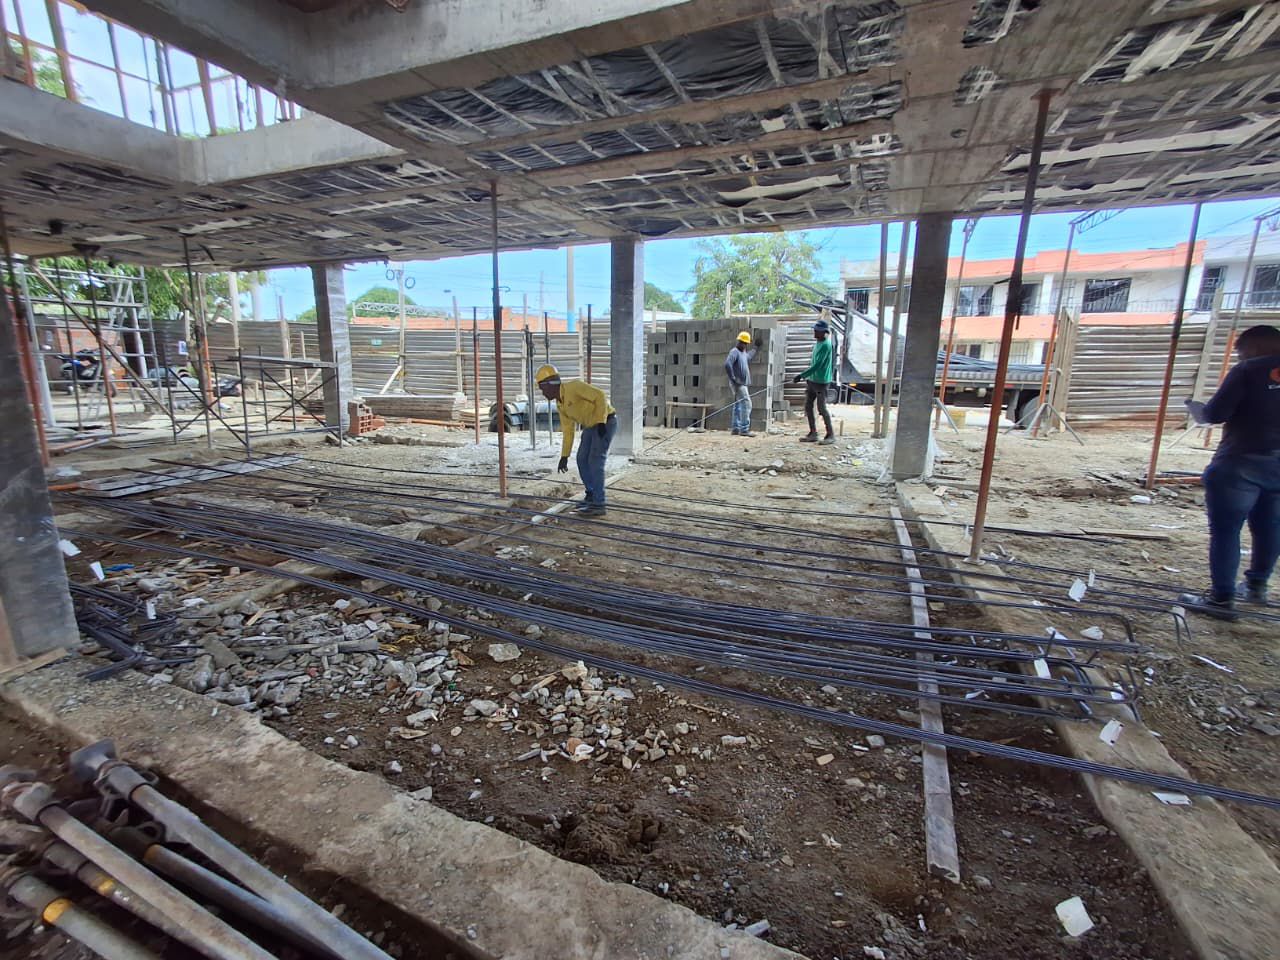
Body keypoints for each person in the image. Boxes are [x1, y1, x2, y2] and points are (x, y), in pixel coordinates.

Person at [1179, 324, 1280, 620]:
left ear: (1254, 347)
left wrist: (1197, 409)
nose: (1239, 357)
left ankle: (1222, 599)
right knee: (1271, 526)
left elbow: (1215, 414)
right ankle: (1257, 586)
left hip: (1241, 464)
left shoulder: (1247, 370)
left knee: (1226, 530)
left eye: (1240, 351)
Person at [535, 364, 617, 518]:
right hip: (590, 426)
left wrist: (601, 421)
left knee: (595, 461)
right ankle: (591, 495)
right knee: (581, 459)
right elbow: (568, 431)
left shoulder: (574, 387)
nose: (542, 392)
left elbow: (599, 395)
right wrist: (564, 456)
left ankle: (599, 504)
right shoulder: (560, 404)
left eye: (542, 388)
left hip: (605, 422)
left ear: (550, 384)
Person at [793, 319, 836, 444]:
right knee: (808, 406)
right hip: (812, 380)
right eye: (815, 330)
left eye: (817, 331)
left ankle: (830, 435)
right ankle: (813, 433)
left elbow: (818, 365)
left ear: (824, 332)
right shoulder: (817, 343)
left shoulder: (826, 345)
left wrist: (801, 375)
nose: (814, 332)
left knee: (821, 408)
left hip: (821, 382)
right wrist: (807, 377)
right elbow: (813, 362)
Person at [724, 330, 760, 437]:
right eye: (741, 342)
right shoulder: (734, 351)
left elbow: (749, 356)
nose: (742, 344)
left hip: (741, 383)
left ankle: (735, 428)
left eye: (744, 343)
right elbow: (727, 364)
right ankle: (744, 429)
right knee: (746, 404)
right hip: (738, 384)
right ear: (739, 341)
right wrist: (733, 378)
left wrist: (756, 348)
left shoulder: (743, 353)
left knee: (738, 405)